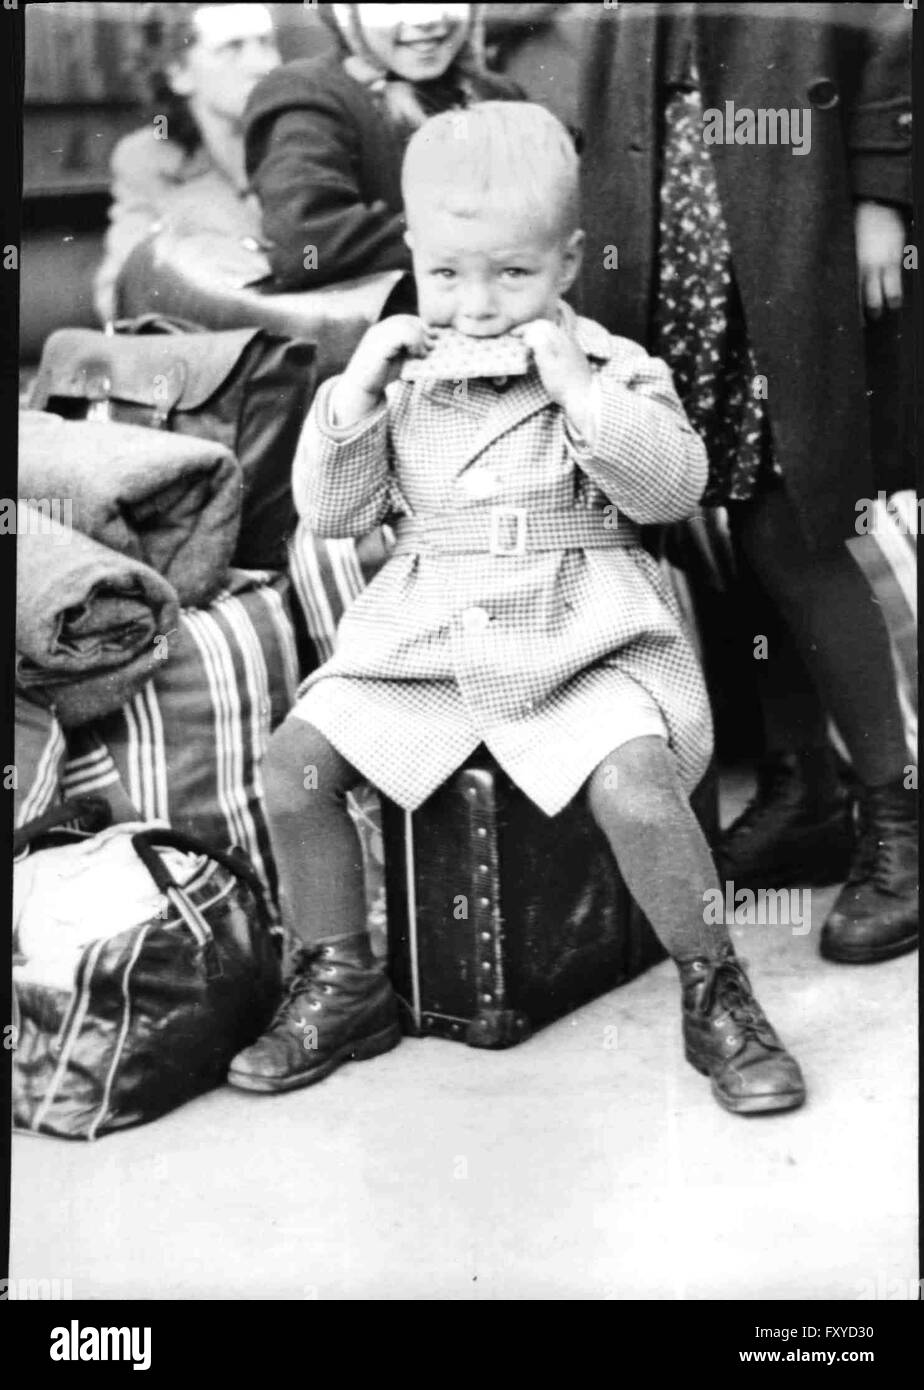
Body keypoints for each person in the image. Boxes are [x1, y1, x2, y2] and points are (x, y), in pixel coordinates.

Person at [227, 101, 807, 1118]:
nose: (479, 307)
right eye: (448, 276)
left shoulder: (615, 365)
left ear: (570, 262)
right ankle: (344, 978)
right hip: (431, 633)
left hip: (582, 630)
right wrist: (356, 392)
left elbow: (674, 487)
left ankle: (715, 985)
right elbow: (329, 512)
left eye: (514, 276)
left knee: (634, 781)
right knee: (294, 766)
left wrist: (582, 391)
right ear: (414, 254)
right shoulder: (400, 377)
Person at [573, 1, 916, 964]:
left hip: (788, 203)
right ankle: (803, 787)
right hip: (657, 206)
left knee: (795, 518)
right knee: (703, 514)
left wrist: (882, 191)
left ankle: (900, 821)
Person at [242, 2, 522, 292]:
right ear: (346, 13)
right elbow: (306, 249)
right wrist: (479, 238)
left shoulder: (501, 97)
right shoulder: (309, 96)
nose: (427, 17)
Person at [93, 2, 280, 323]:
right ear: (178, 73)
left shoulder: (307, 140)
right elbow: (119, 296)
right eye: (231, 48)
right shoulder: (148, 160)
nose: (263, 64)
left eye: (266, 43)